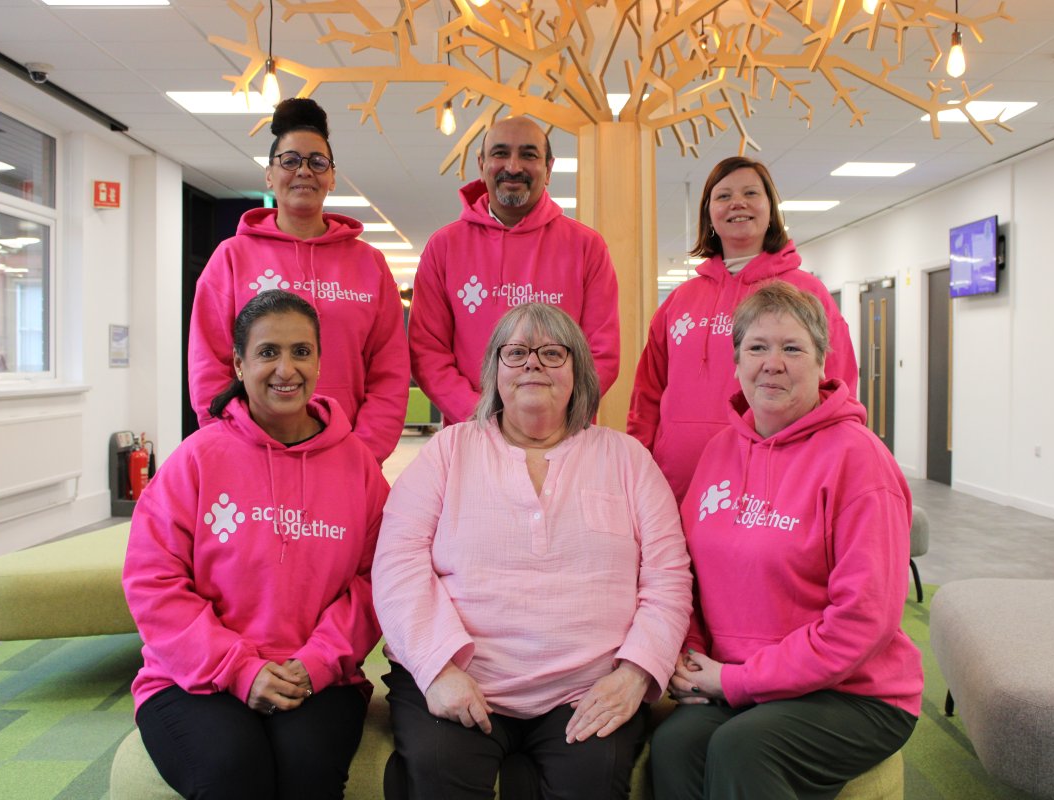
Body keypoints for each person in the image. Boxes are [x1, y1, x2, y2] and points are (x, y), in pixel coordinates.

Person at [373, 303, 691, 799]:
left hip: (587, 689)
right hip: (461, 680)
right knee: (436, 773)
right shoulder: (448, 451)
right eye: (516, 352)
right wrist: (437, 670)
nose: (532, 364)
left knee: (591, 783)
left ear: (579, 371)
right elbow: (398, 565)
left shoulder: (628, 459)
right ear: (494, 370)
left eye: (552, 353)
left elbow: (668, 577)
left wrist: (635, 674)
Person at [650, 281, 921, 800]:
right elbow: (687, 574)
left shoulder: (859, 461)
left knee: (744, 748)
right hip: (737, 679)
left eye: (792, 348)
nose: (772, 363)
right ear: (737, 363)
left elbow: (863, 620)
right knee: (676, 744)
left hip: (851, 692)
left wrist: (735, 681)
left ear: (822, 362)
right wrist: (692, 655)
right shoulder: (720, 452)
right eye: (757, 347)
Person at [125, 290, 388, 800]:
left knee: (308, 774)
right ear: (239, 364)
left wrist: (316, 663)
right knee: (232, 774)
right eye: (268, 352)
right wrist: (240, 669)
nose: (286, 369)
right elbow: (153, 582)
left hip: (318, 676)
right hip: (195, 677)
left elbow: (377, 581)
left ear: (319, 362)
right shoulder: (196, 460)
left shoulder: (358, 466)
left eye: (301, 351)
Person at [188, 97, 408, 463]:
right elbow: (208, 367)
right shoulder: (231, 258)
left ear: (332, 177)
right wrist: (232, 447)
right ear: (269, 175)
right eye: (290, 161)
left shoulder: (370, 264)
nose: (304, 171)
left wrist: (362, 454)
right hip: (251, 456)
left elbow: (390, 372)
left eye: (317, 162)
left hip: (348, 457)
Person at [627, 156, 857, 503]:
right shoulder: (679, 300)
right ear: (708, 214)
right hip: (676, 481)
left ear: (770, 209)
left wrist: (829, 464)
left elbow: (839, 389)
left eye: (751, 193)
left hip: (774, 480)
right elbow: (648, 392)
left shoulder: (806, 293)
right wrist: (638, 462)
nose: (738, 203)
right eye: (724, 196)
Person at [408, 116, 621, 424]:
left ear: (548, 168)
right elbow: (428, 352)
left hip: (564, 432)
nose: (513, 166)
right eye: (500, 153)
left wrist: (551, 417)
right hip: (473, 431)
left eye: (528, 155)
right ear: (481, 164)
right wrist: (482, 417)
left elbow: (602, 352)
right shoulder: (444, 247)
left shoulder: (587, 246)